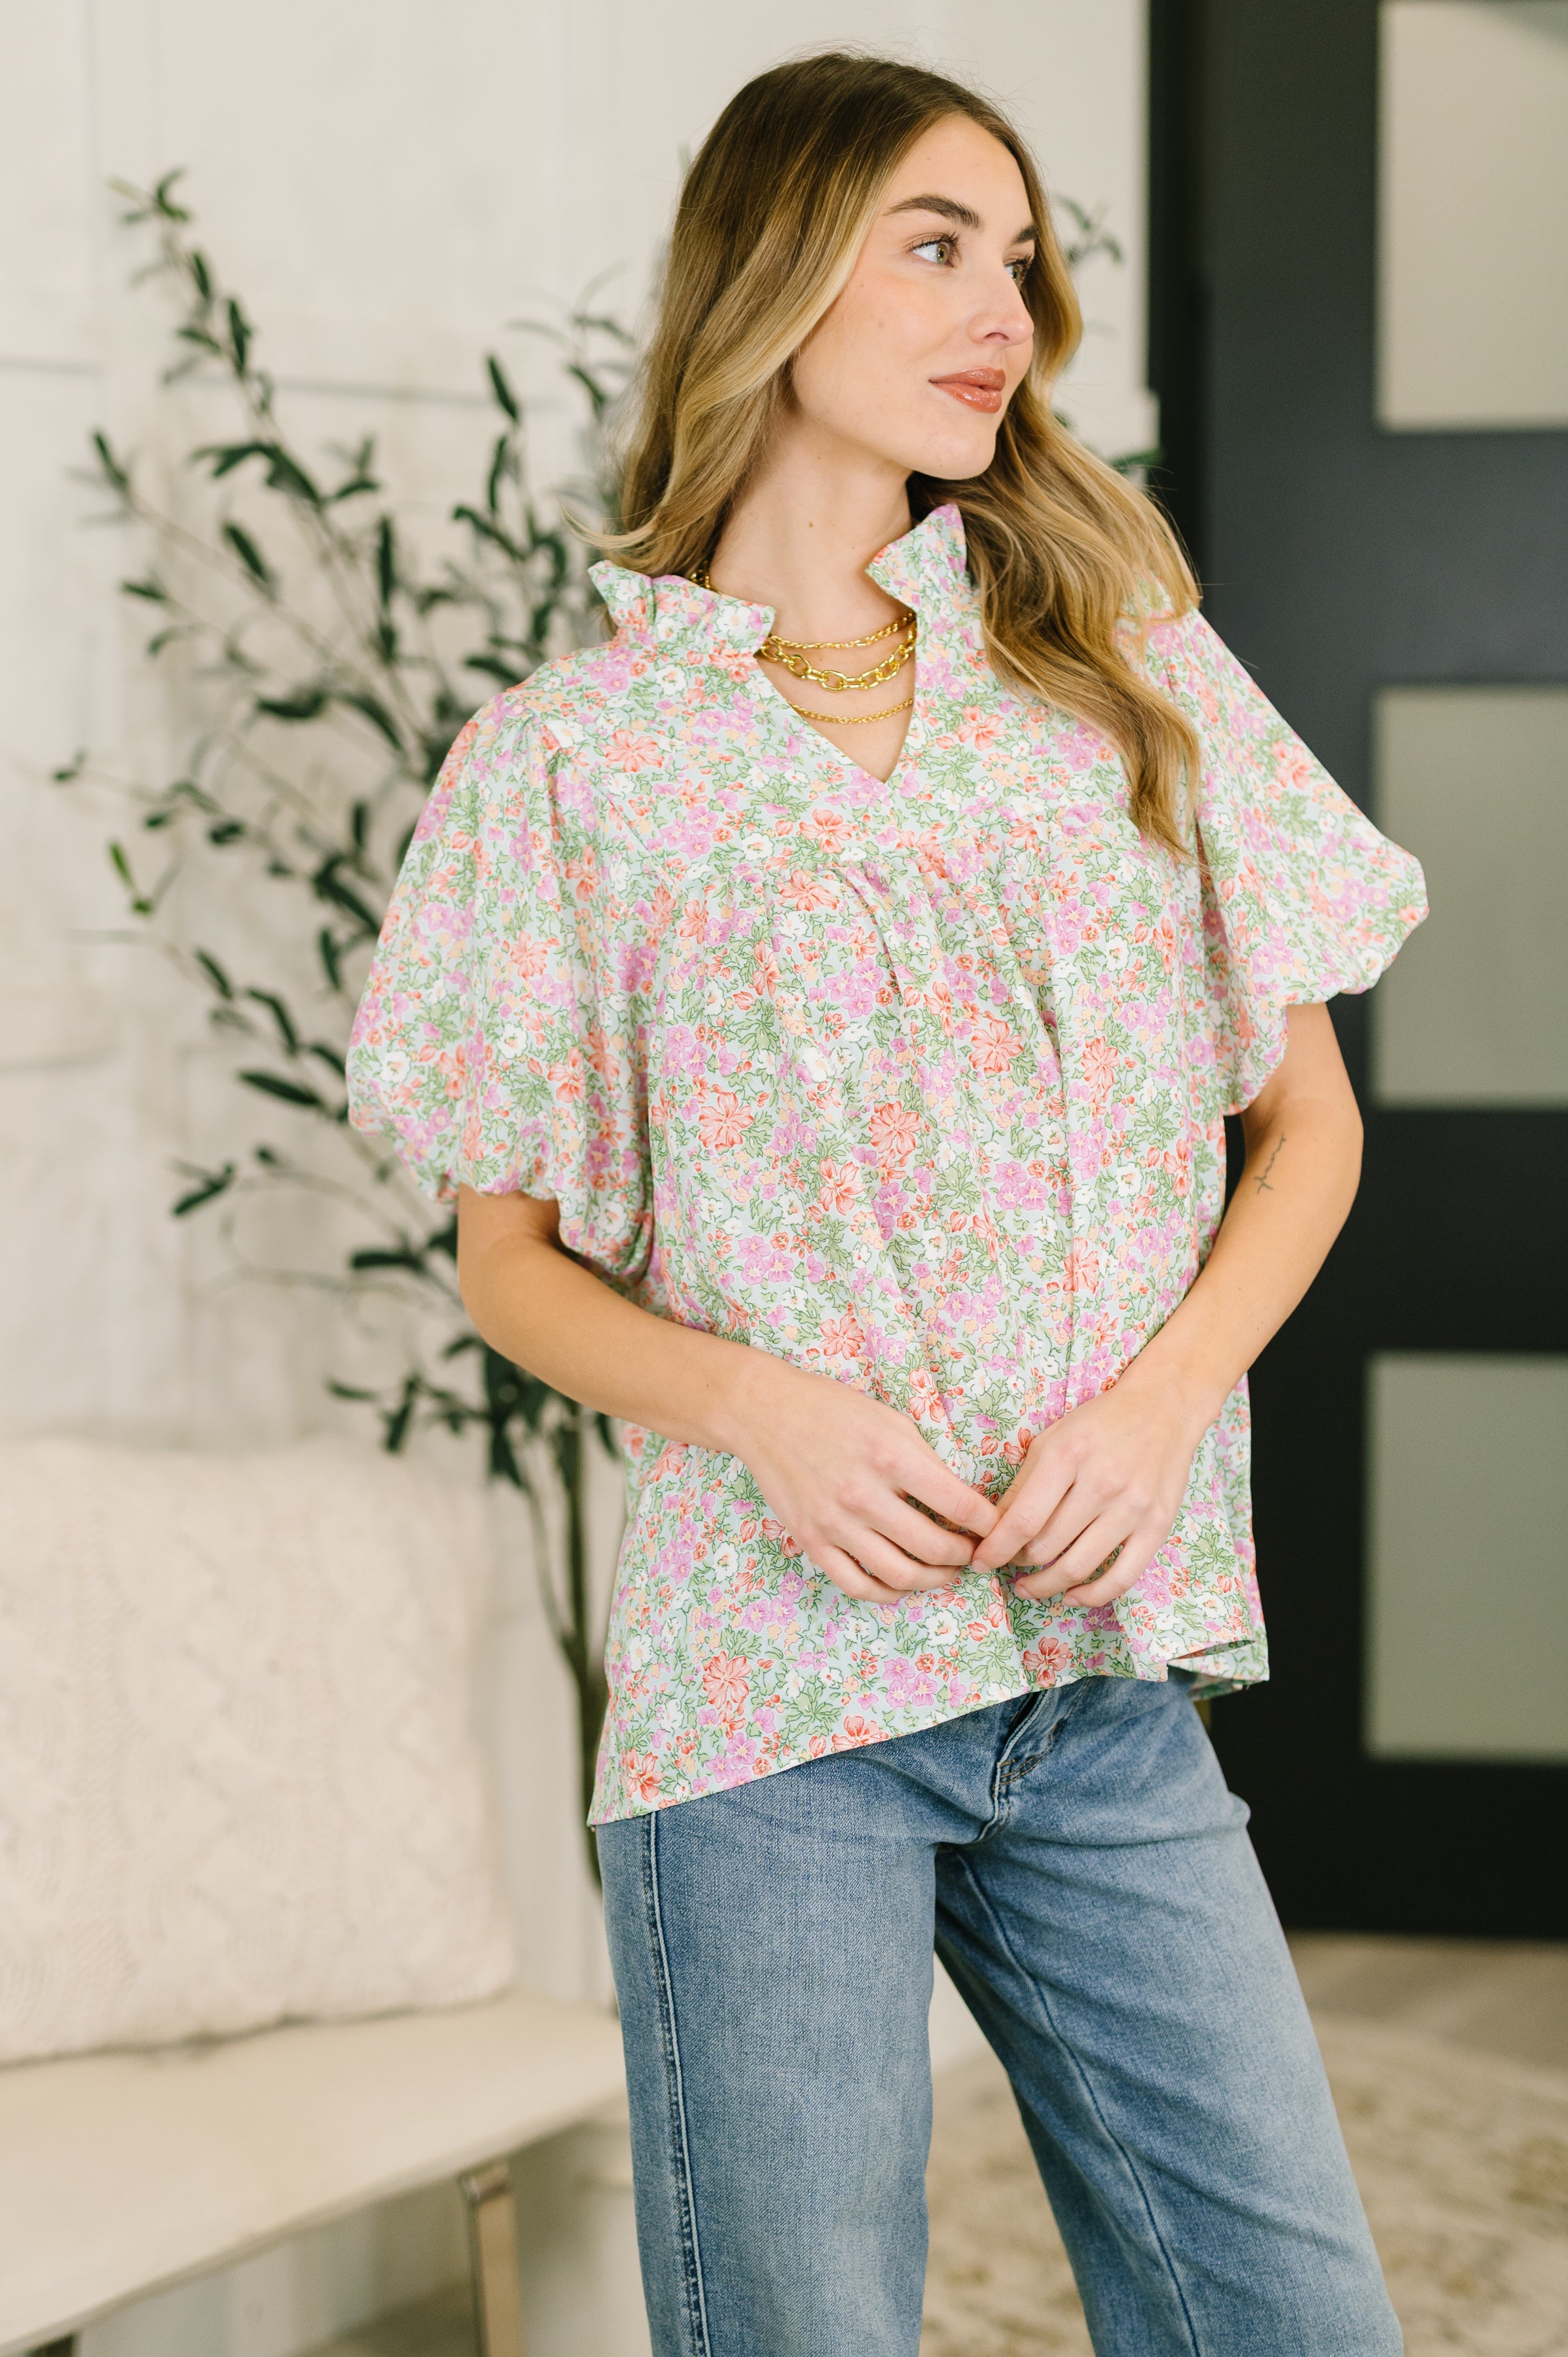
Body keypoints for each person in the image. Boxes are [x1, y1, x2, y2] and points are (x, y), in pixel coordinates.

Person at [348, 50, 1424, 2357]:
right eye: (934, 245)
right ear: (773, 271)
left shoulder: (1117, 680)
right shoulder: (570, 765)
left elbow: (1308, 1129)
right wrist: (765, 1411)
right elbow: (507, 1266)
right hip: (767, 1701)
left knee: (1290, 2319)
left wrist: (1157, 1409)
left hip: (1095, 1677)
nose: (999, 309)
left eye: (1018, 258)